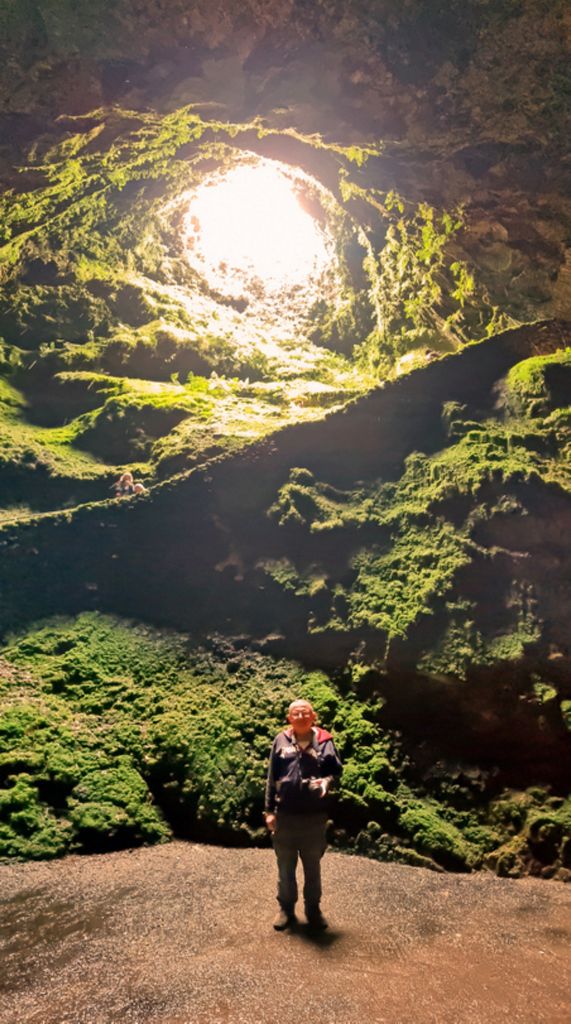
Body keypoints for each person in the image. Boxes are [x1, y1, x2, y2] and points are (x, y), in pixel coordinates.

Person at [264, 699, 343, 931]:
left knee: (312, 867)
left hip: (313, 818)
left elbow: (336, 771)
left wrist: (326, 782)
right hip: (285, 816)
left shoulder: (325, 741)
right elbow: (271, 777)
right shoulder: (280, 741)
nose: (300, 717)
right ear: (289, 718)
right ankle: (286, 910)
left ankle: (313, 910)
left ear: (313, 716)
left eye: (304, 713)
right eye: (295, 714)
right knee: (285, 868)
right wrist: (269, 811)